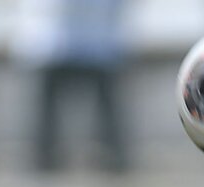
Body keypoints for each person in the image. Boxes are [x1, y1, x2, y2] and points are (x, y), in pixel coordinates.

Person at [14, 0, 131, 175]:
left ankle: (113, 157)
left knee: (105, 108)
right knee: (46, 111)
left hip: (95, 37)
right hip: (54, 37)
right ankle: (42, 158)